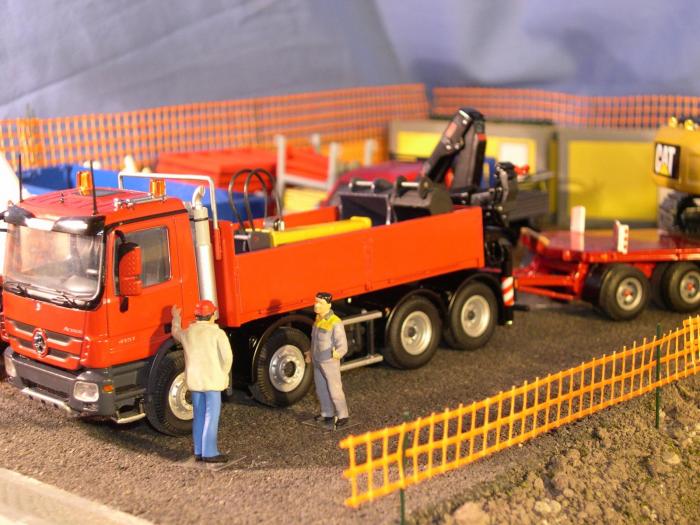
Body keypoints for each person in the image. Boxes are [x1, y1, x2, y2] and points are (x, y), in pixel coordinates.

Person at [171, 300, 233, 463]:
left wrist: (176, 317)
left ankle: (198, 450)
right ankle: (210, 452)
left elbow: (175, 332)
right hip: (212, 381)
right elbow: (227, 358)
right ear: (212, 315)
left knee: (198, 415)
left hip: (195, 381)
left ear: (197, 316)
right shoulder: (217, 334)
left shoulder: (188, 333)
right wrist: (223, 374)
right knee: (211, 416)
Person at [305, 292, 349, 430]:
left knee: (334, 389)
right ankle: (327, 413)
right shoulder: (318, 320)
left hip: (329, 361)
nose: (316, 305)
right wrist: (310, 353)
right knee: (321, 389)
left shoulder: (335, 322)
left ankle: (342, 415)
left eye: (320, 303)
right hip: (317, 360)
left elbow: (342, 343)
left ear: (329, 305)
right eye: (315, 302)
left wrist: (338, 353)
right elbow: (315, 341)